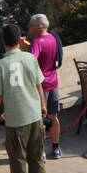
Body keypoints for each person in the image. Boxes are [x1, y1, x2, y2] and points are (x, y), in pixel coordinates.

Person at [0, 23, 49, 173]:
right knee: (37, 158)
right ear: (19, 40)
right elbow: (39, 85)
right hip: (35, 115)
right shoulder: (30, 58)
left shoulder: (0, 66)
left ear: (2, 42)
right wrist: (43, 106)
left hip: (16, 120)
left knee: (18, 161)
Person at [27, 14, 64, 160]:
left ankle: (40, 151)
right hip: (54, 82)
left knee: (39, 119)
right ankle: (56, 148)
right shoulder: (54, 38)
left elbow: (31, 61)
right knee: (53, 116)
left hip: (40, 87)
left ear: (39, 26)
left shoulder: (36, 42)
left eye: (31, 25)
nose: (28, 27)